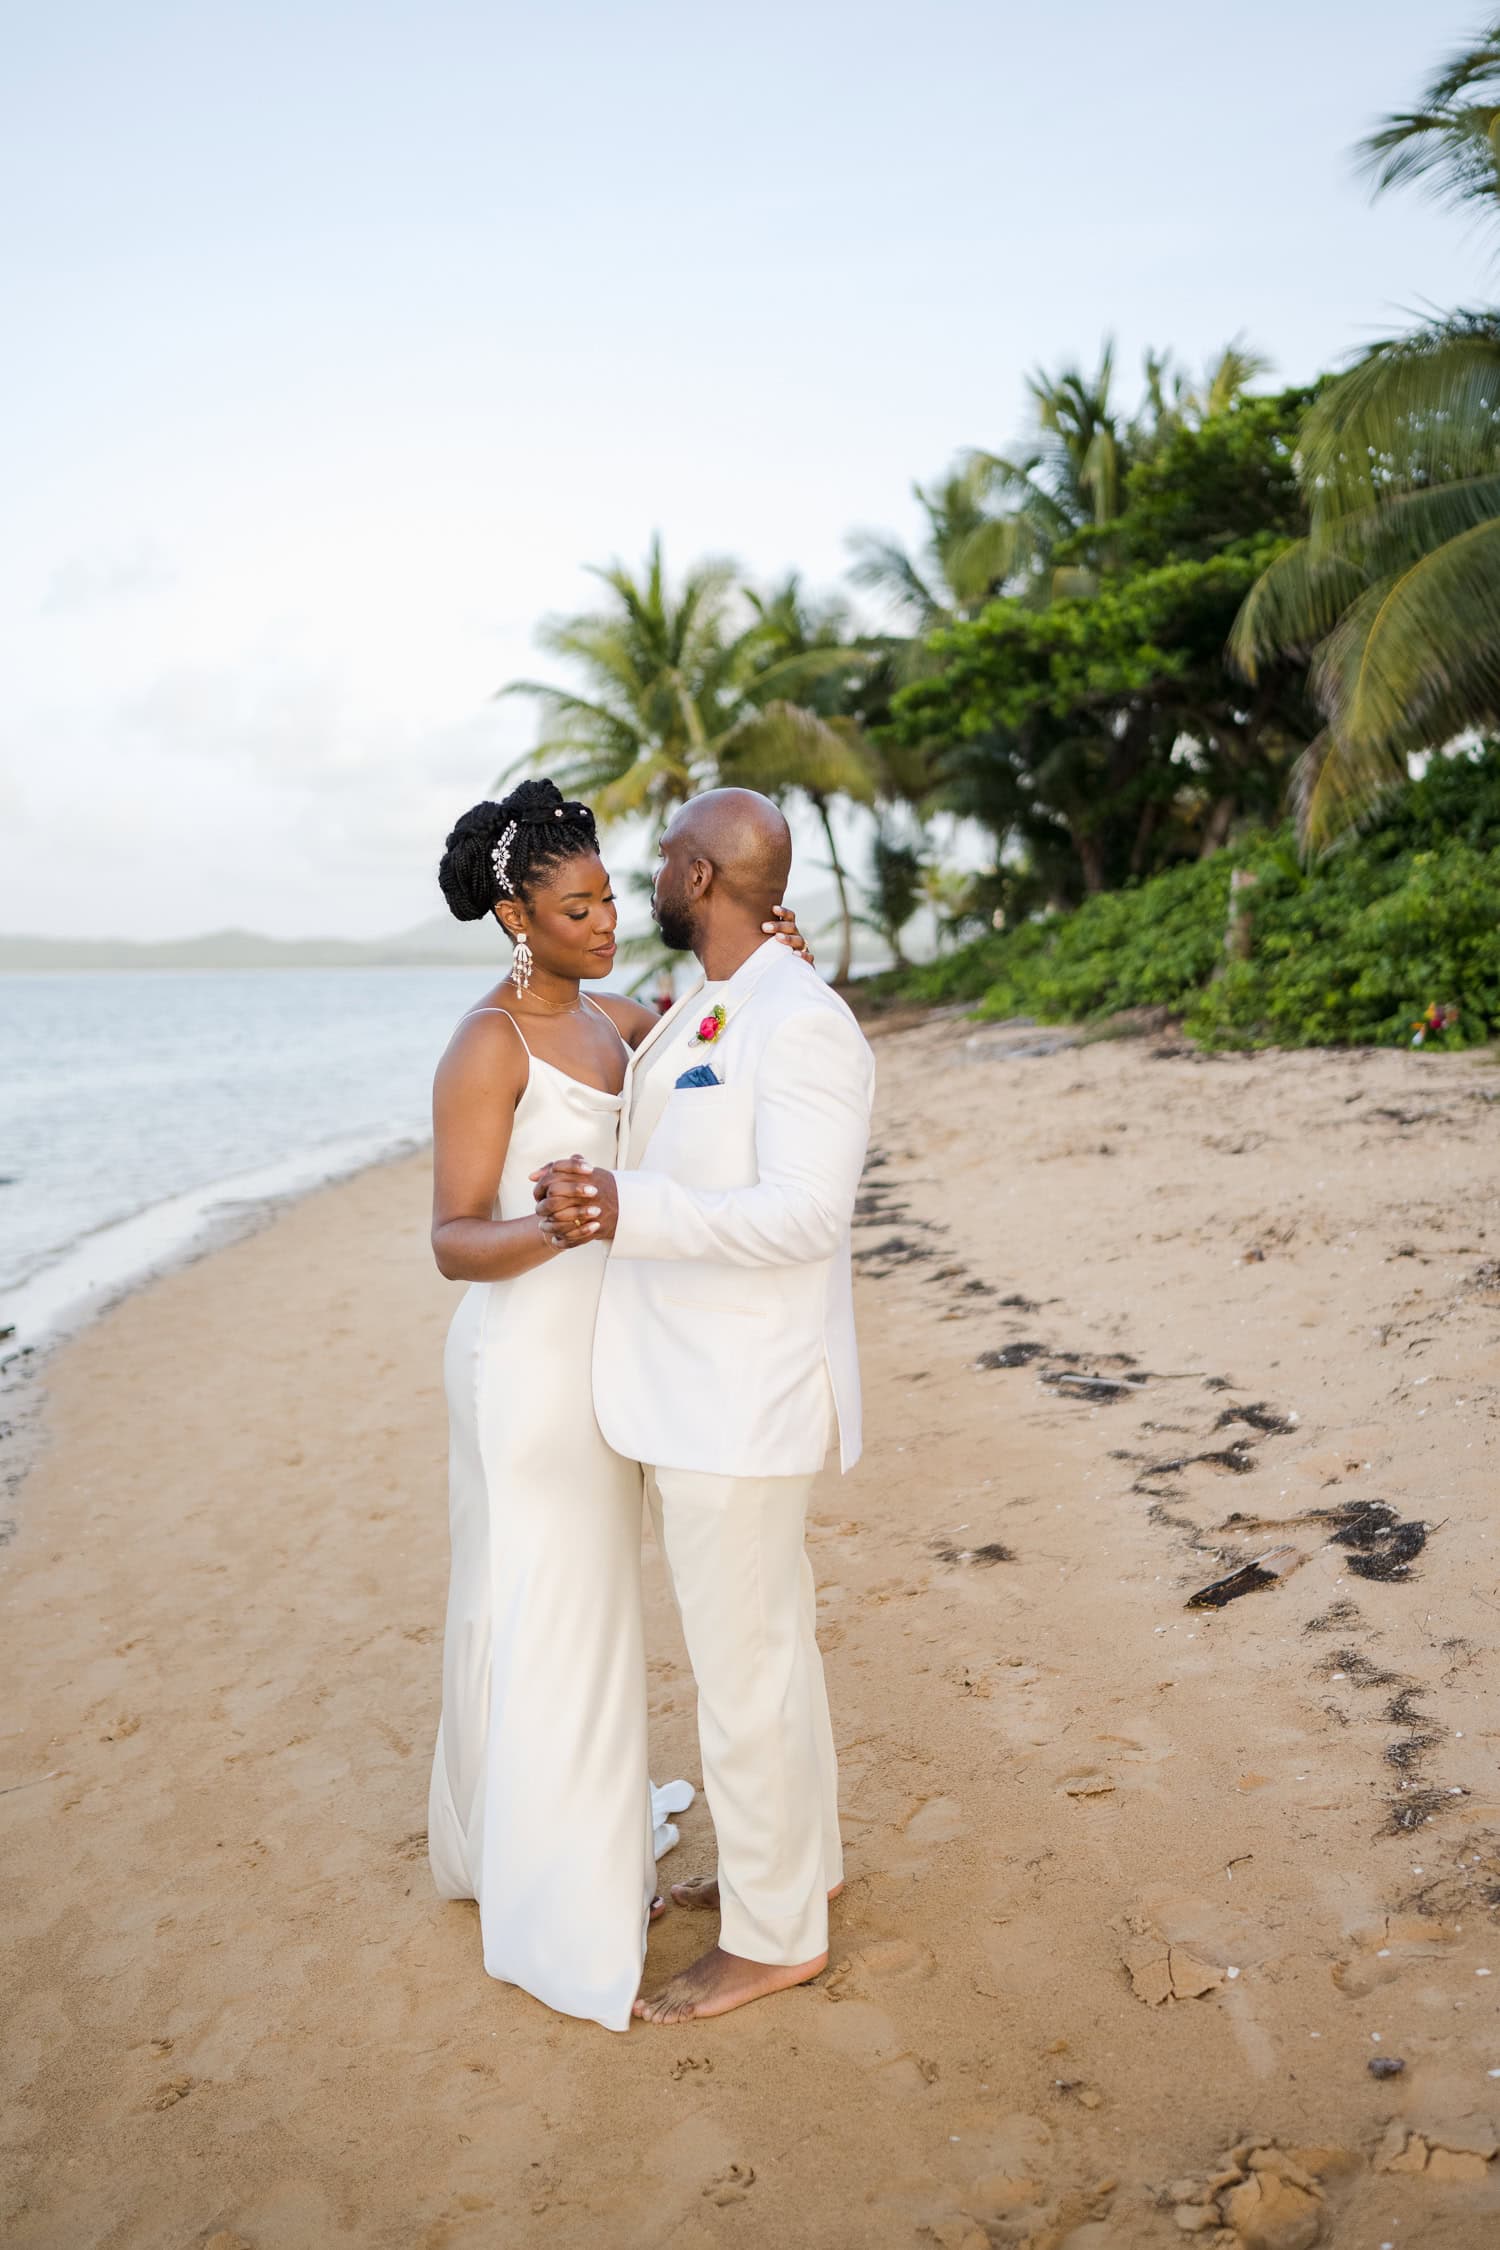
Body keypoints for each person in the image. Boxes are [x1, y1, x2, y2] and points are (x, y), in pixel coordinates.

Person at [423, 777, 810, 2033]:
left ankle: (540, 1842)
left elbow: (712, 1030)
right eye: (576, 907)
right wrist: (554, 1222)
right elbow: (449, 1239)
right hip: (526, 1365)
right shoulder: (488, 1044)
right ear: (514, 918)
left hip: (609, 1362)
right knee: (555, 1615)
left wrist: (772, 974)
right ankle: (564, 1893)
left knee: (573, 1609)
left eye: (604, 899)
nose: (603, 921)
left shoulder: (614, 1018)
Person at [535, 789, 875, 2024]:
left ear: (698, 877)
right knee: (770, 1657)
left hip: (742, 1400)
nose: (649, 880)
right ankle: (801, 1875)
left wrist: (633, 1208)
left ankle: (774, 1936)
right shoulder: (729, 998)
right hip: (699, 1392)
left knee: (743, 1678)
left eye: (664, 861)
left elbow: (807, 1214)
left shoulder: (803, 1023)